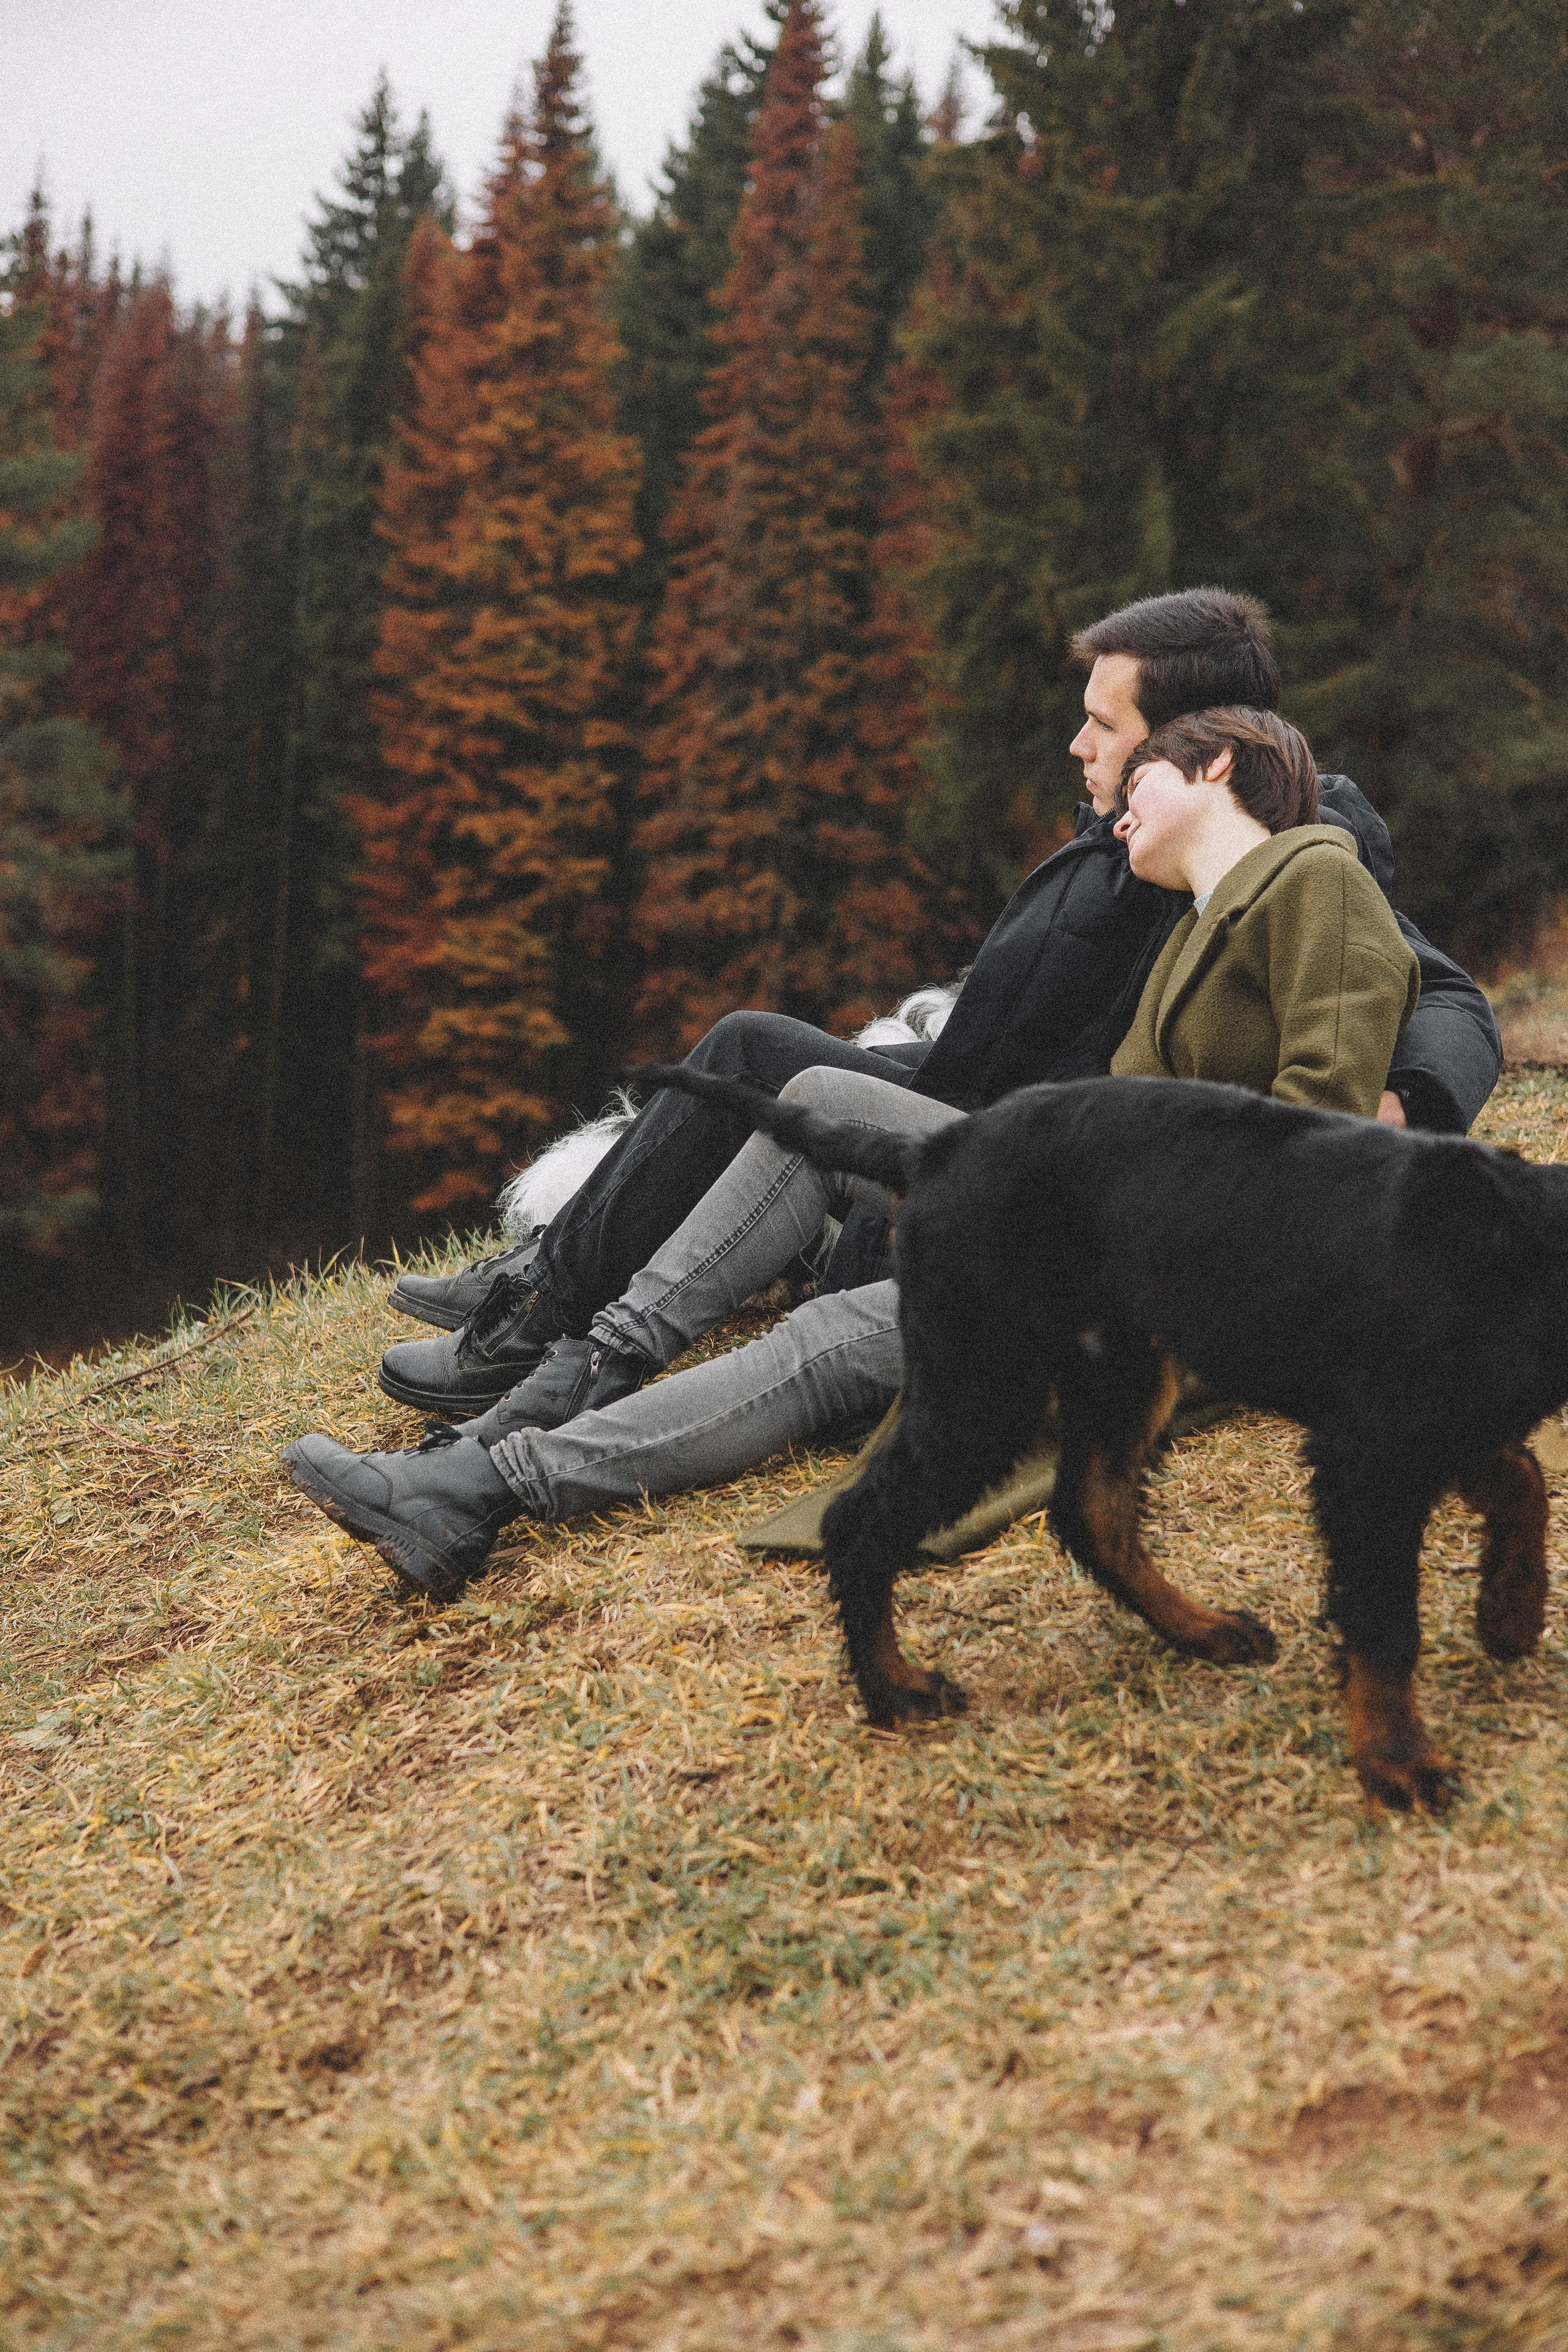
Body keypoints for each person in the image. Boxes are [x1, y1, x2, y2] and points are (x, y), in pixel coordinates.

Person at [284, 704, 1421, 1596]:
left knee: (835, 1333)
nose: (1118, 814)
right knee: (821, 1095)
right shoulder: (1193, 933)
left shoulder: (1318, 876)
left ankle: (483, 1489)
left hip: (1156, 1282)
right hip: (1079, 1219)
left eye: (1141, 787)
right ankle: (553, 1390)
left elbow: (1307, 1153)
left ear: (1219, 767)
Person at [373, 587, 1498, 1430]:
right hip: (965, 1090)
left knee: (771, 1071)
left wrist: (1407, 1103)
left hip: (1034, 1150)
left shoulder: (1290, 837)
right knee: (754, 1043)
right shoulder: (1116, 820)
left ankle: (546, 1337)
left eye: (1103, 726)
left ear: (1188, 746)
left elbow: (1443, 995)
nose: (1079, 745)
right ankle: (549, 1290)